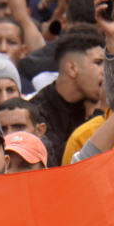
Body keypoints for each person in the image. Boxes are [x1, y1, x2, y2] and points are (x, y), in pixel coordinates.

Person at [31, 31, 106, 166]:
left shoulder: (89, 104)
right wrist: (99, 113)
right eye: (98, 63)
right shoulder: (36, 112)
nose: (105, 71)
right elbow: (60, 161)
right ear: (72, 68)